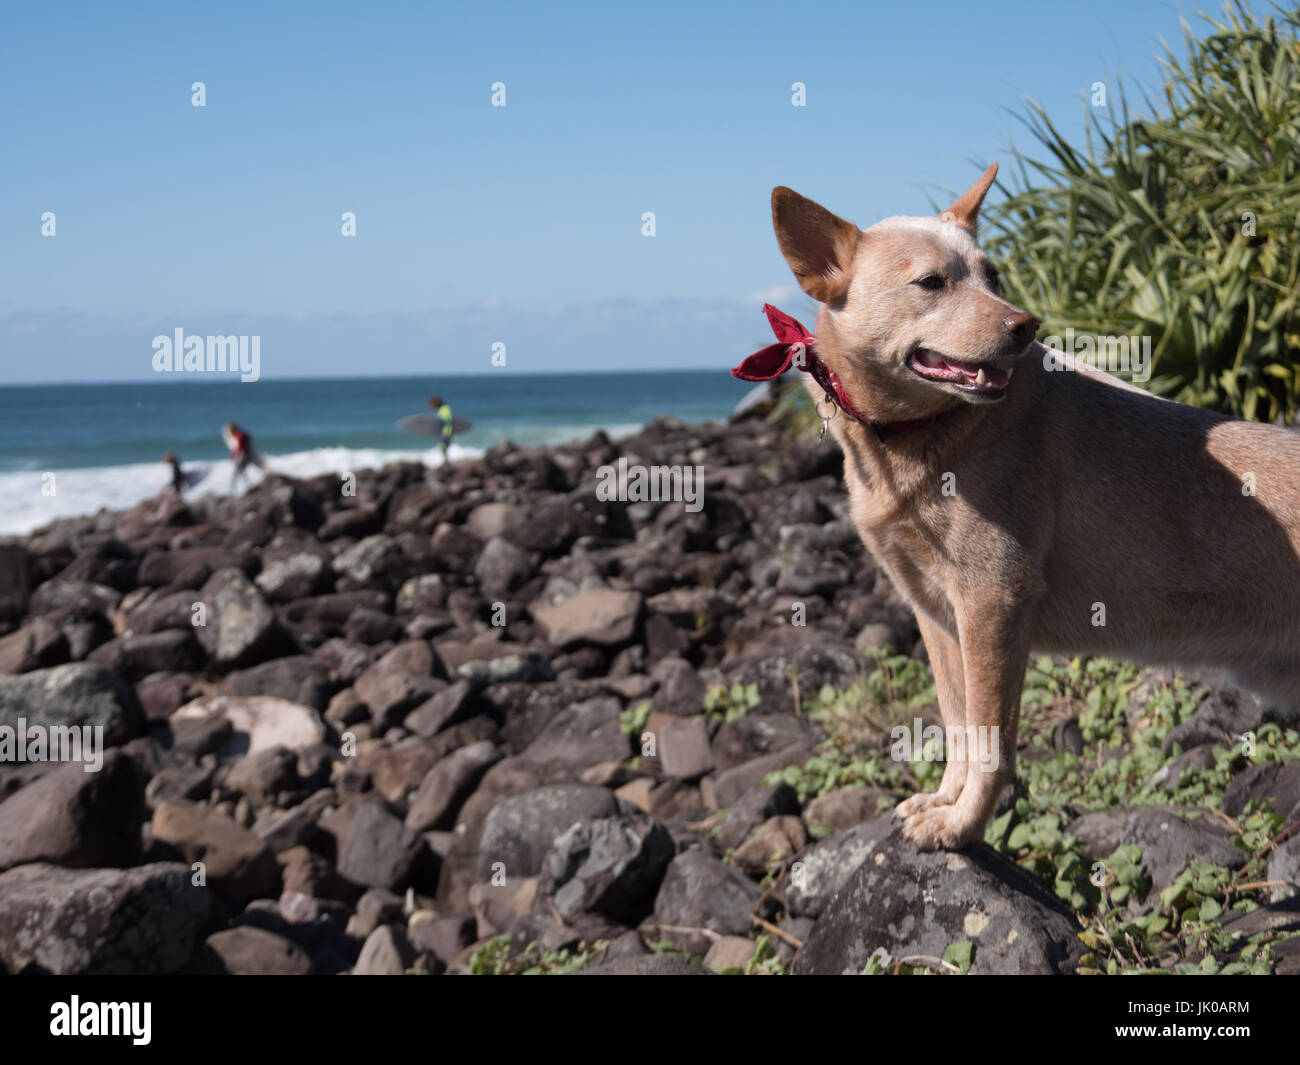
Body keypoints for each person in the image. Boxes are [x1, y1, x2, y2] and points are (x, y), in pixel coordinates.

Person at [221, 422, 266, 491]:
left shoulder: (239, 436)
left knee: (237, 474)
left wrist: (234, 458)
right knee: (244, 473)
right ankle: (248, 486)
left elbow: (238, 449)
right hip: (248, 456)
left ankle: (234, 490)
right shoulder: (243, 435)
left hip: (243, 457)